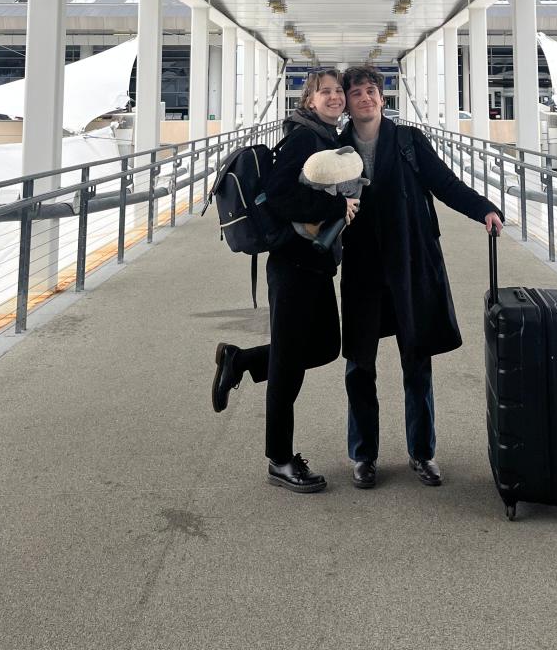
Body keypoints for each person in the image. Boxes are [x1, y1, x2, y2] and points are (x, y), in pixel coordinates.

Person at [339, 65, 503, 490]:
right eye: (356, 92)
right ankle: (363, 455)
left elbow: (444, 183)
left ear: (382, 98)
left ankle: (422, 453)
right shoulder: (336, 149)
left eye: (372, 90)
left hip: (409, 263)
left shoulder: (408, 141)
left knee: (417, 359)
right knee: (360, 365)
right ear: (347, 102)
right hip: (361, 269)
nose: (365, 98)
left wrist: (483, 207)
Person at [210, 70, 359, 493]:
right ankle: (280, 459)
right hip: (293, 264)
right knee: (290, 366)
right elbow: (278, 193)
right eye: (323, 92)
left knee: (326, 346)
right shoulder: (304, 138)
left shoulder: (327, 137)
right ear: (309, 100)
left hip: (314, 264)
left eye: (337, 92)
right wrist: (337, 207)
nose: (333, 98)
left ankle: (241, 361)